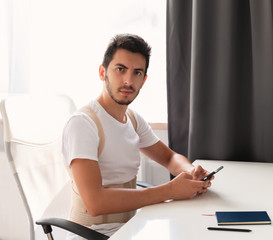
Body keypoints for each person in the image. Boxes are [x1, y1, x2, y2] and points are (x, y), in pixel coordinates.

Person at [62, 34, 212, 238]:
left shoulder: (132, 119)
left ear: (144, 80)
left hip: (131, 228)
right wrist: (170, 191)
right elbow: (95, 203)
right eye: (120, 69)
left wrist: (191, 171)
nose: (128, 81)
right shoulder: (83, 124)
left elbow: (169, 158)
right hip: (92, 234)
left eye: (137, 73)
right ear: (102, 72)